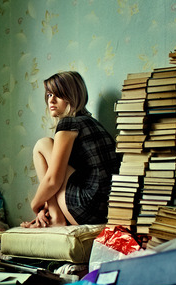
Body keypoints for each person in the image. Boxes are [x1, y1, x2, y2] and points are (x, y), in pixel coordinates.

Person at [21, 71, 120, 228]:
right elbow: (66, 181)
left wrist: (36, 205)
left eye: (58, 94)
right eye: (48, 95)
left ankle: (56, 218)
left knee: (43, 144)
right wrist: (44, 207)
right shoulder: (91, 123)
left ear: (72, 96)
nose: (51, 100)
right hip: (108, 210)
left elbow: (54, 180)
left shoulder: (69, 124)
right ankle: (52, 214)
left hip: (87, 208)